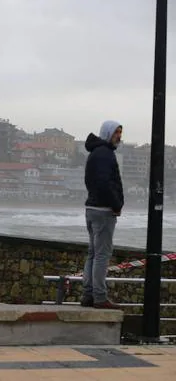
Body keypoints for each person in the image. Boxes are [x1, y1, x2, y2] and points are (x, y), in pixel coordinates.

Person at [82, 120, 123, 309]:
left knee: (93, 253)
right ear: (107, 133)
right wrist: (115, 204)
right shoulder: (105, 154)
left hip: (92, 209)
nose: (119, 137)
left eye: (120, 133)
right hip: (103, 210)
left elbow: (91, 181)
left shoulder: (95, 153)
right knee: (101, 255)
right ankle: (99, 297)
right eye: (116, 133)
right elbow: (105, 183)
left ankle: (88, 294)